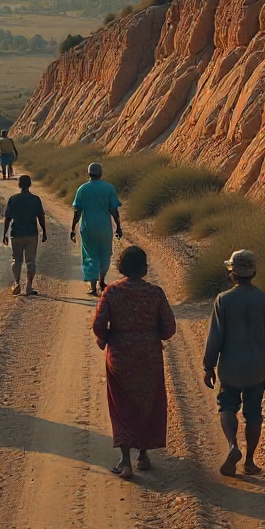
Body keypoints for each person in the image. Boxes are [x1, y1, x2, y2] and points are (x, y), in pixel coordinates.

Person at [92, 246, 176, 479]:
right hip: (149, 355)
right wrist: (151, 335)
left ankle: (125, 461)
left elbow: (98, 324)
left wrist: (106, 338)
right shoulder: (155, 293)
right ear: (144, 268)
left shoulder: (112, 292)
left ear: (122, 267)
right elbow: (169, 328)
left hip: (120, 355)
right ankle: (143, 455)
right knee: (147, 402)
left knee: (122, 405)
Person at [202, 249, 265, 477]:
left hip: (230, 367)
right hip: (257, 368)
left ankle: (232, 446)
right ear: (254, 272)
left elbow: (215, 337)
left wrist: (208, 366)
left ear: (232, 273)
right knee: (254, 413)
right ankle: (249, 462)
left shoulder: (223, 300)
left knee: (227, 407)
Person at [70, 162, 123, 296]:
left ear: (88, 174)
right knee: (105, 253)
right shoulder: (109, 188)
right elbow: (114, 210)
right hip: (104, 228)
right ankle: (102, 280)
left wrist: (73, 229)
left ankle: (92, 286)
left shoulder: (82, 189)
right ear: (101, 173)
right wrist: (118, 226)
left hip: (88, 228)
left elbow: (77, 211)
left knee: (90, 255)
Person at [2, 174, 47, 295]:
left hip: (16, 234)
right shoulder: (35, 199)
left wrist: (5, 233)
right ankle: (29, 287)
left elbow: (7, 218)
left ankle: (16, 283)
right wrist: (44, 231)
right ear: (30, 184)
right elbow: (40, 217)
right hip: (31, 234)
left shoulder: (13, 199)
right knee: (30, 261)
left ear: (19, 185)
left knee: (16, 260)